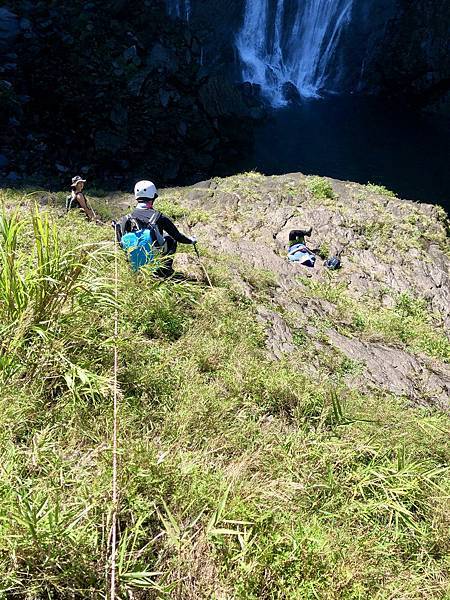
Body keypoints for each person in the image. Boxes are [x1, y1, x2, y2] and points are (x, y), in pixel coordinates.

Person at [114, 180, 196, 277]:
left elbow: (121, 243)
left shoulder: (126, 218)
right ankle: (164, 271)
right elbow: (177, 236)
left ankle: (136, 271)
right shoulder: (159, 217)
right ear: (153, 197)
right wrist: (191, 241)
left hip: (134, 260)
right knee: (171, 240)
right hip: (154, 258)